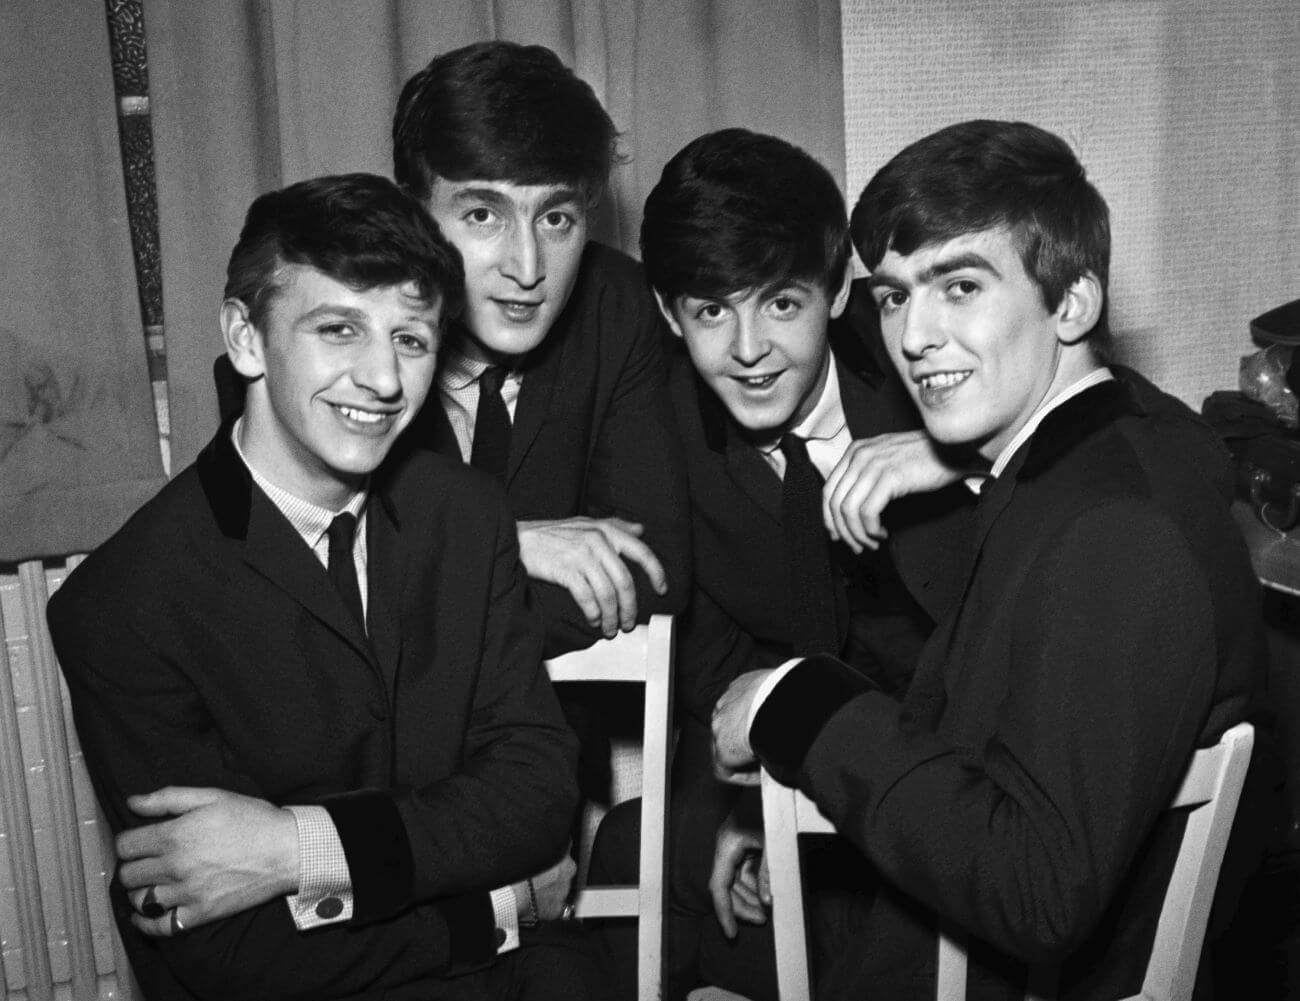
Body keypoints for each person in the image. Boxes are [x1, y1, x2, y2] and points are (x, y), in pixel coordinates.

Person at [709, 120, 1264, 1000]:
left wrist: (794, 705)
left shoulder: (1112, 532)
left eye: (958, 285)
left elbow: (1037, 889)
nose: (914, 335)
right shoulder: (1113, 459)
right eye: (892, 296)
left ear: (1073, 303)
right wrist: (959, 453)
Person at [47, 173, 602, 1000]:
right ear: (244, 338)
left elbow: (537, 794)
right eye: (339, 329)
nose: (383, 379)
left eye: (411, 340)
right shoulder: (120, 603)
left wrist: (293, 849)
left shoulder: (467, 515)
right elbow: (224, 947)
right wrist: (498, 906)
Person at [589, 128, 964, 1000]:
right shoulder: (662, 431)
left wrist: (954, 452)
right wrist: (750, 801)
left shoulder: (927, 356)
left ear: (837, 291)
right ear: (668, 310)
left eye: (780, 305)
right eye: (713, 311)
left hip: (943, 779)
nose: (749, 349)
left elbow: (1117, 417)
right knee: (630, 853)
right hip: (794, 772)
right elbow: (707, 643)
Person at [393, 40, 690, 659]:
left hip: (544, 744)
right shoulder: (335, 310)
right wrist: (499, 543)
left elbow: (653, 571)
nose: (528, 268)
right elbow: (299, 576)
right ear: (414, 215)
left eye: (555, 218)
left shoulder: (618, 307)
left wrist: (422, 583)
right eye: (482, 215)